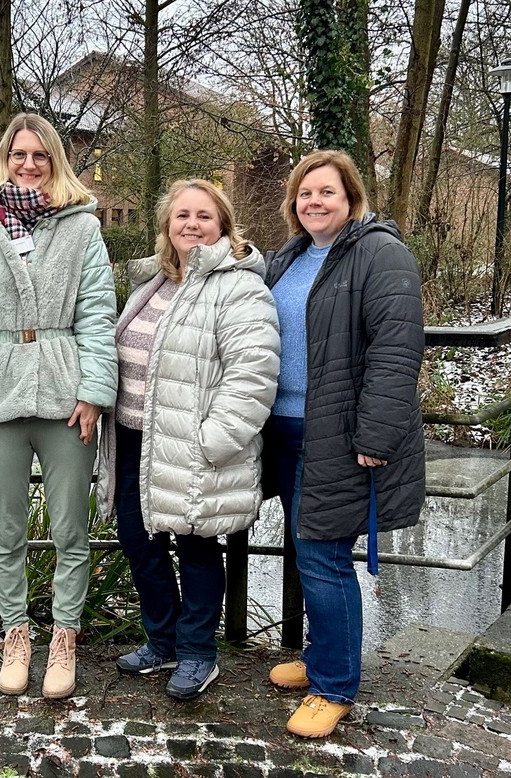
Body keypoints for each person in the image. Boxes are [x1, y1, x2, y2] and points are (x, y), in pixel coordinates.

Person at [0, 113, 117, 699]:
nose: (29, 164)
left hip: (67, 392)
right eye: (19, 154)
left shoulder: (82, 228)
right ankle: (16, 635)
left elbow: (95, 312)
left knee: (70, 528)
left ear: (56, 160)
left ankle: (64, 639)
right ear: (4, 159)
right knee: (5, 530)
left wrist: (95, 392)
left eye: (41, 155)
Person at [96, 179, 280, 701]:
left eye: (204, 216)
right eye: (182, 216)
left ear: (223, 225)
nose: (192, 225)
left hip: (193, 446)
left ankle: (198, 652)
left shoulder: (238, 287)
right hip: (133, 440)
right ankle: (164, 640)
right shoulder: (152, 283)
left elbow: (253, 374)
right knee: (139, 543)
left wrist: (212, 442)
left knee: (196, 546)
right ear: (167, 226)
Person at [263, 150, 425, 737]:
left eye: (327, 192)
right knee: (310, 553)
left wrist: (376, 436)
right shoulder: (290, 256)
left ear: (350, 197)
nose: (315, 203)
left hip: (338, 435)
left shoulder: (380, 254)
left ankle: (334, 685)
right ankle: (318, 659)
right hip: (283, 428)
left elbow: (396, 349)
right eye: (306, 194)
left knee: (324, 557)